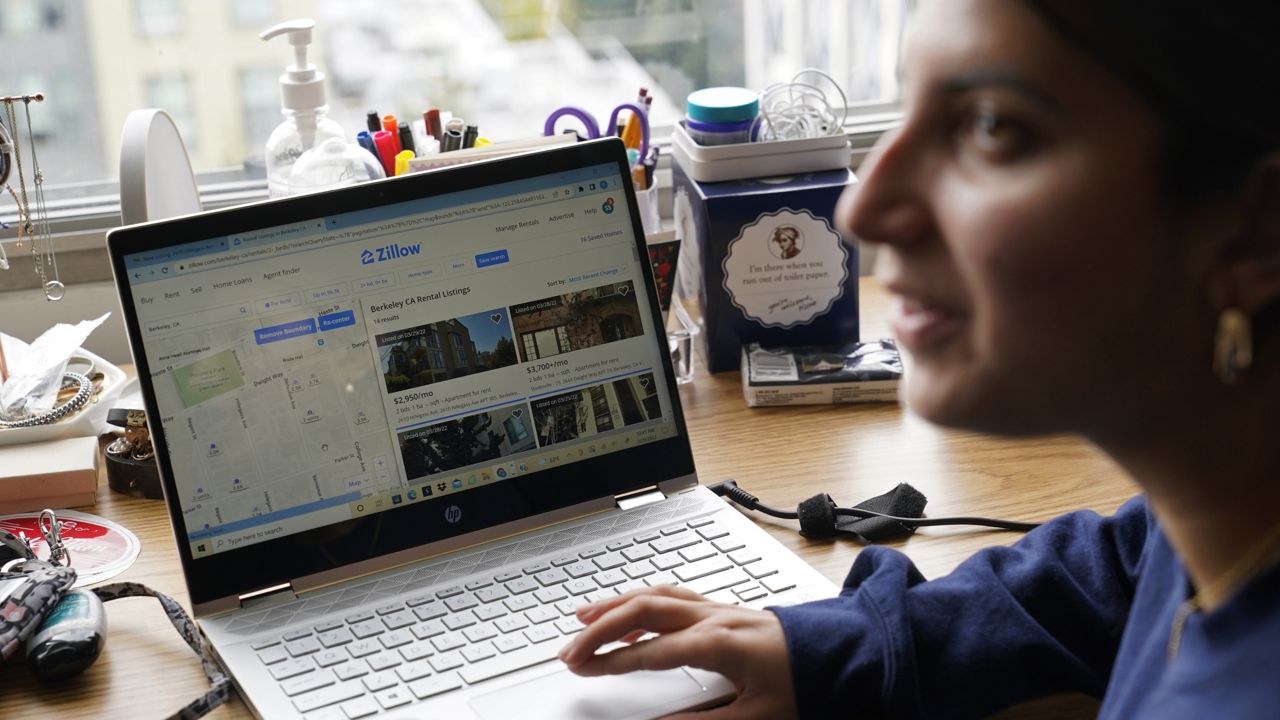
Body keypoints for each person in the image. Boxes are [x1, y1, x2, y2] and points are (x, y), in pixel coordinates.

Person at [556, 0, 1280, 717]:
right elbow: (1124, 567)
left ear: (1256, 233)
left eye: (991, 127)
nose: (860, 210)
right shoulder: (1220, 514)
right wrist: (837, 647)